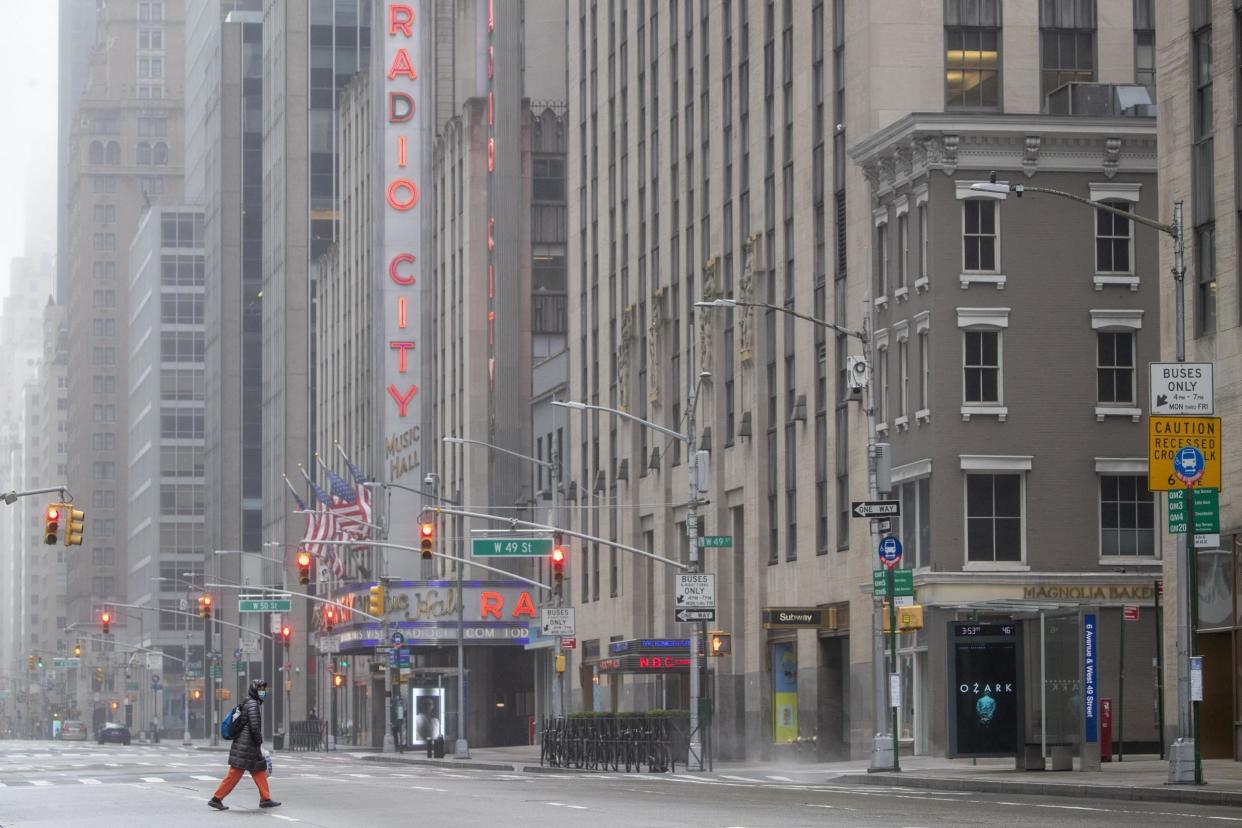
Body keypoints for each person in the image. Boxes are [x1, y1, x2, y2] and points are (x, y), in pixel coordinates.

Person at [208, 679, 280, 811]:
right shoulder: (253, 704)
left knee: (258, 770)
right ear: (254, 691)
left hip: (246, 744)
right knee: (235, 773)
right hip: (247, 745)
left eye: (264, 690)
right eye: (260, 690)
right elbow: (254, 726)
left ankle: (265, 799)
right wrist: (259, 741)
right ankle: (216, 798)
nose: (263, 693)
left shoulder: (248, 702)